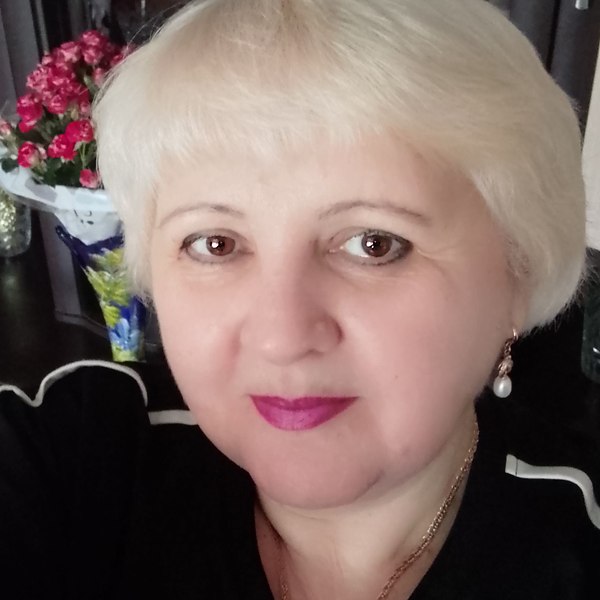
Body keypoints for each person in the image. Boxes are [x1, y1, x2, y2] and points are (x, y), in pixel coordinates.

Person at [1, 0, 598, 598]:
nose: (280, 336)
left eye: (374, 244)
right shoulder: (75, 459)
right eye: (215, 243)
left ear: (518, 272)